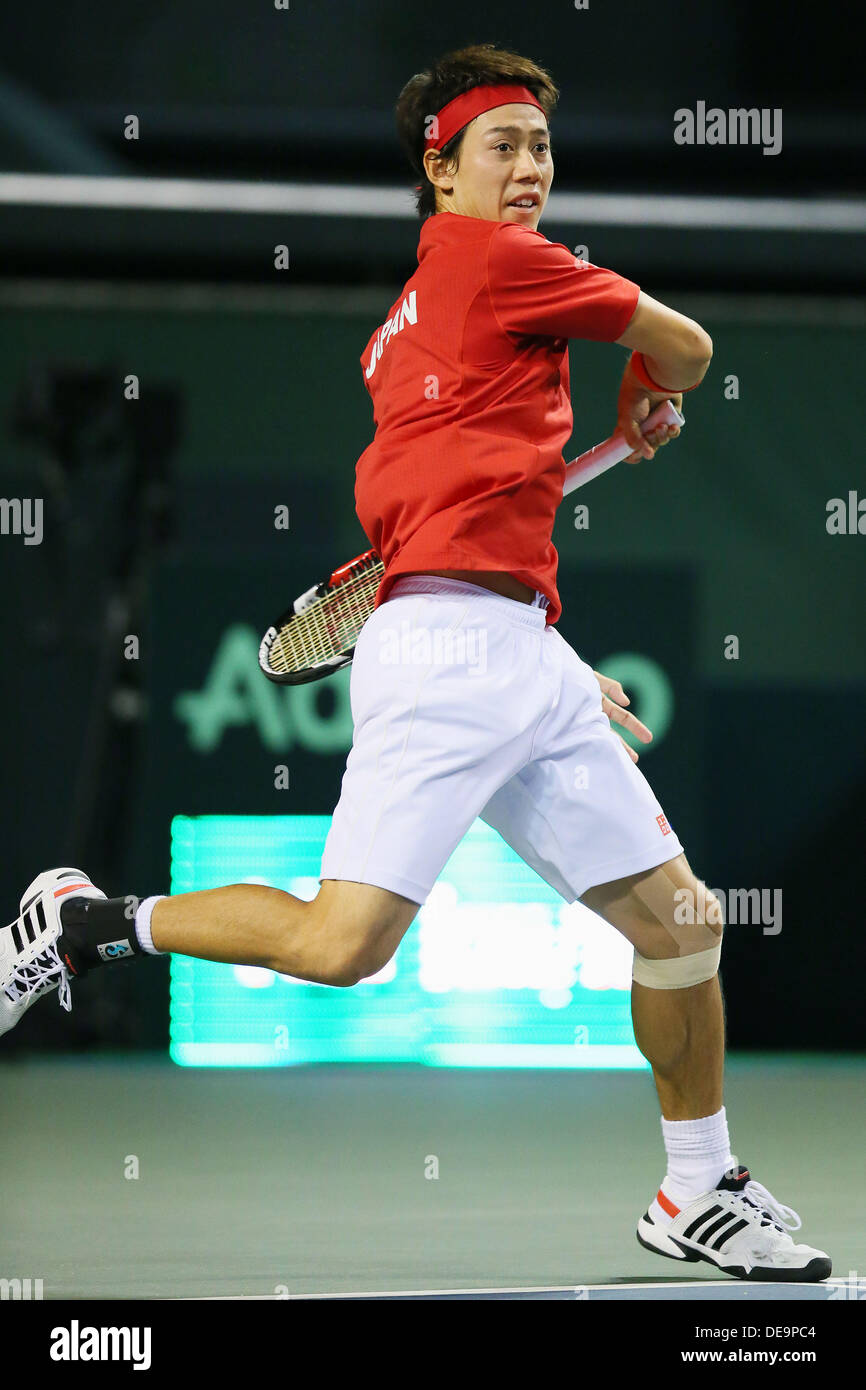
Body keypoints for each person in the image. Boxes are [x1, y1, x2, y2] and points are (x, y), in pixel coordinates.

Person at [1, 42, 830, 1284]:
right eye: (499, 146)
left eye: (541, 147)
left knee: (680, 922)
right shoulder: (504, 263)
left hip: (509, 638)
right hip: (447, 652)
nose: (527, 168)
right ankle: (89, 921)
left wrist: (608, 436)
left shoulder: (412, 322)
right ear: (438, 171)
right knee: (346, 947)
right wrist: (648, 386)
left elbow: (473, 493)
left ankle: (697, 1187)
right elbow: (694, 347)